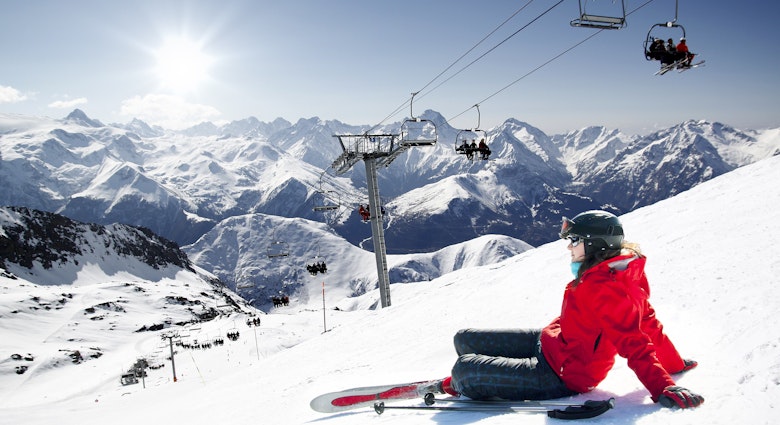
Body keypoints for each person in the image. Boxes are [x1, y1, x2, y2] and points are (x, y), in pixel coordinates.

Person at [435, 210, 704, 409]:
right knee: (464, 337)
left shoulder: (609, 289)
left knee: (464, 371)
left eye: (574, 240)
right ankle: (482, 375)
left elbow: (635, 341)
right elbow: (647, 321)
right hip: (553, 343)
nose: (569, 246)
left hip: (563, 375)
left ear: (595, 244)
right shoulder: (610, 273)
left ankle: (460, 382)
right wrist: (674, 364)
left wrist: (664, 385)